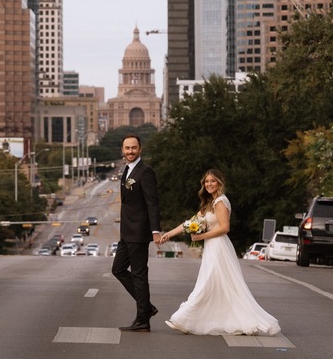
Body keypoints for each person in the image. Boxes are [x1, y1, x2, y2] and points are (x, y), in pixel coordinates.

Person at [159, 169, 280, 336]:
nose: (209, 184)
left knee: (207, 283)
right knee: (218, 285)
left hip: (219, 247)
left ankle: (183, 320)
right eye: (206, 182)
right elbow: (190, 222)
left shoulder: (221, 202)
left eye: (212, 181)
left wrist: (200, 236)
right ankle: (200, 320)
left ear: (220, 183)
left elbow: (224, 228)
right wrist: (169, 234)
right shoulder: (210, 203)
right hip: (212, 247)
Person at [111, 134, 162, 332]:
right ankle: (147, 308)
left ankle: (143, 319)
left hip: (139, 232)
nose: (130, 151)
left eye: (134, 148)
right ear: (122, 150)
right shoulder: (128, 169)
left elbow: (152, 202)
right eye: (127, 148)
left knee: (139, 275)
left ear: (140, 149)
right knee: (118, 269)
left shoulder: (145, 171)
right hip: (127, 232)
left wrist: (155, 230)